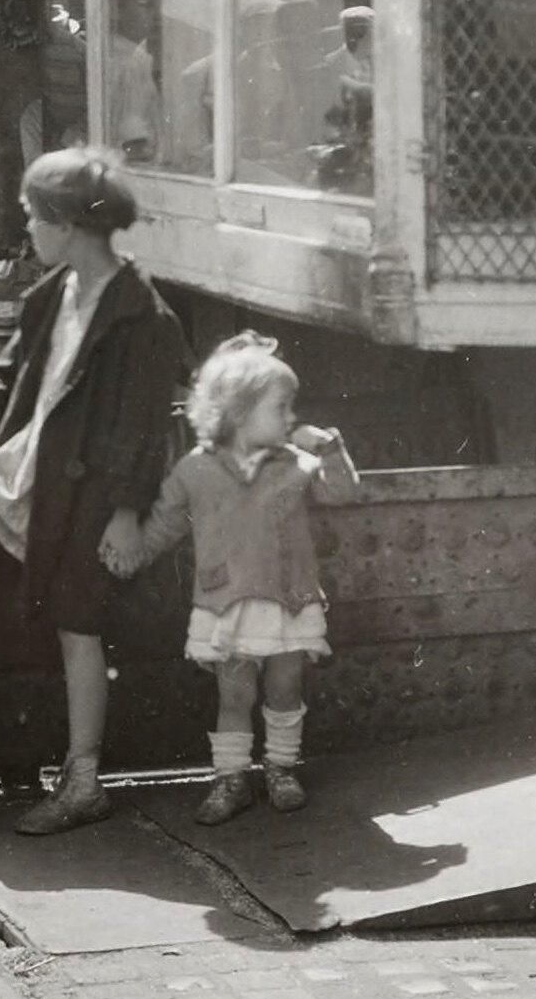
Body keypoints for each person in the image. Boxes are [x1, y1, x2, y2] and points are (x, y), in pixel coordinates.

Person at [0, 149, 185, 834]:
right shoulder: (53, 294)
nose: (27, 228)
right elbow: (2, 377)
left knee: (77, 621)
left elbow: (141, 429)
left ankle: (83, 779)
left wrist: (125, 513)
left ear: (67, 225)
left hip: (92, 489)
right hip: (33, 466)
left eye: (33, 216)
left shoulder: (142, 316)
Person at [114, 330, 364, 821]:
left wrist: (330, 447)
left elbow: (342, 493)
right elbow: (164, 523)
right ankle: (230, 779)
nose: (291, 418)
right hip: (224, 603)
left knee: (285, 689)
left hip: (289, 600)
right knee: (234, 695)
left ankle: (280, 768)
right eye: (281, 408)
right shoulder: (195, 469)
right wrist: (132, 554)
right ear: (239, 411)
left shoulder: (296, 462)